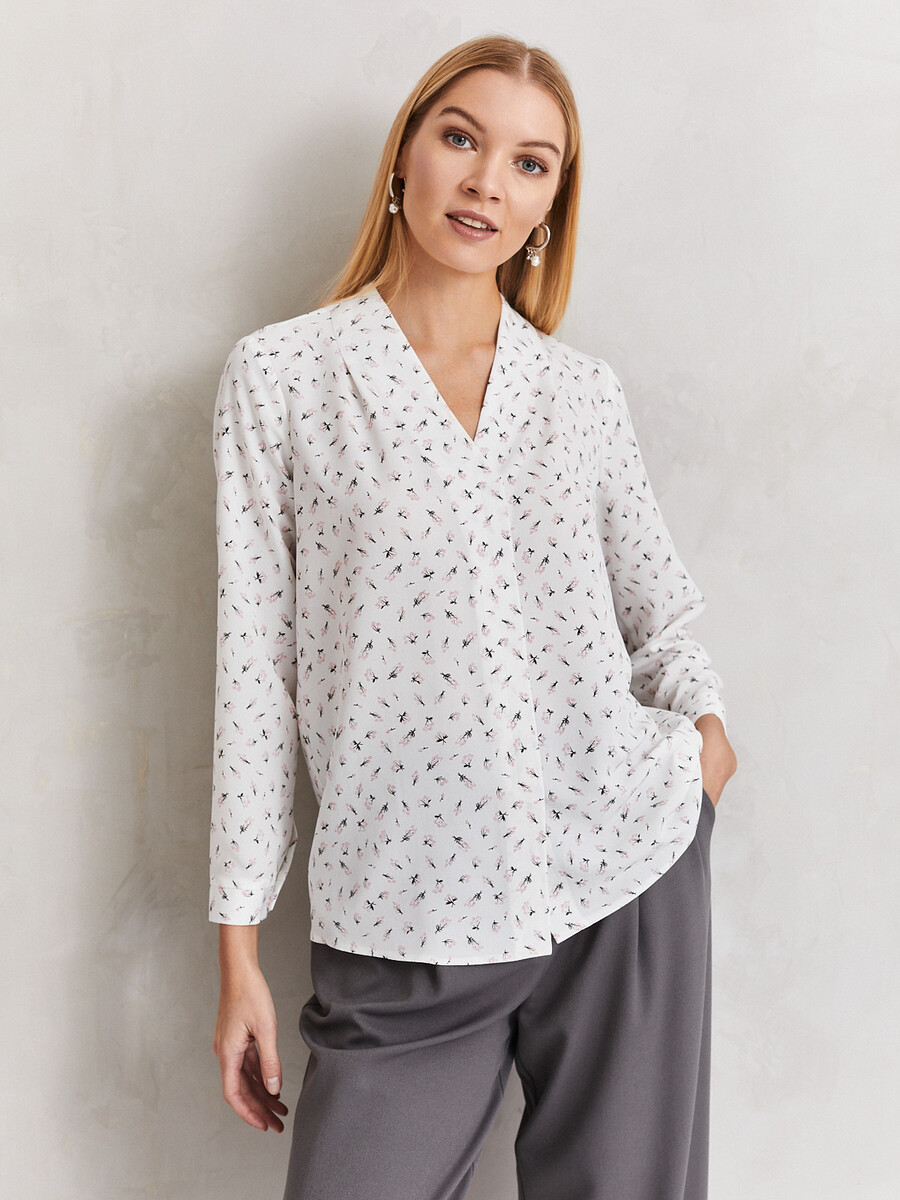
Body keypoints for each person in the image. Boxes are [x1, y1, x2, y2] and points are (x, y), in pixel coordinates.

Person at [209, 33, 737, 1200]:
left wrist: (703, 749)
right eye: (462, 138)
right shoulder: (283, 380)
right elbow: (254, 678)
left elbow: (660, 616)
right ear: (406, 153)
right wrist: (237, 951)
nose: (488, 181)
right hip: (403, 911)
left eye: (529, 163)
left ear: (550, 204)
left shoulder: (580, 396)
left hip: (617, 877)